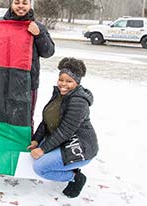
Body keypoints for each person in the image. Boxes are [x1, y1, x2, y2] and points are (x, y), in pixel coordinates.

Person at [28, 57, 98, 198]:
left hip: (80, 147)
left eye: (69, 81)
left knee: (40, 167)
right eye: (61, 80)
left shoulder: (79, 101)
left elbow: (65, 130)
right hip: (63, 141)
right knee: (34, 152)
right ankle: (66, 164)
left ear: (77, 83)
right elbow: (46, 121)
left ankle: (74, 177)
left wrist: (43, 149)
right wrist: (36, 140)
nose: (63, 84)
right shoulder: (59, 94)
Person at [3, 0, 55, 131]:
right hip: (4, 80)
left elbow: (48, 52)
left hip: (29, 82)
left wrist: (39, 35)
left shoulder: (37, 27)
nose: (20, 6)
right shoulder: (2, 27)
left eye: (24, 3)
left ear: (30, 5)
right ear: (12, 5)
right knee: (4, 114)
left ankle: (24, 145)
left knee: (26, 116)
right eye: (17, 2)